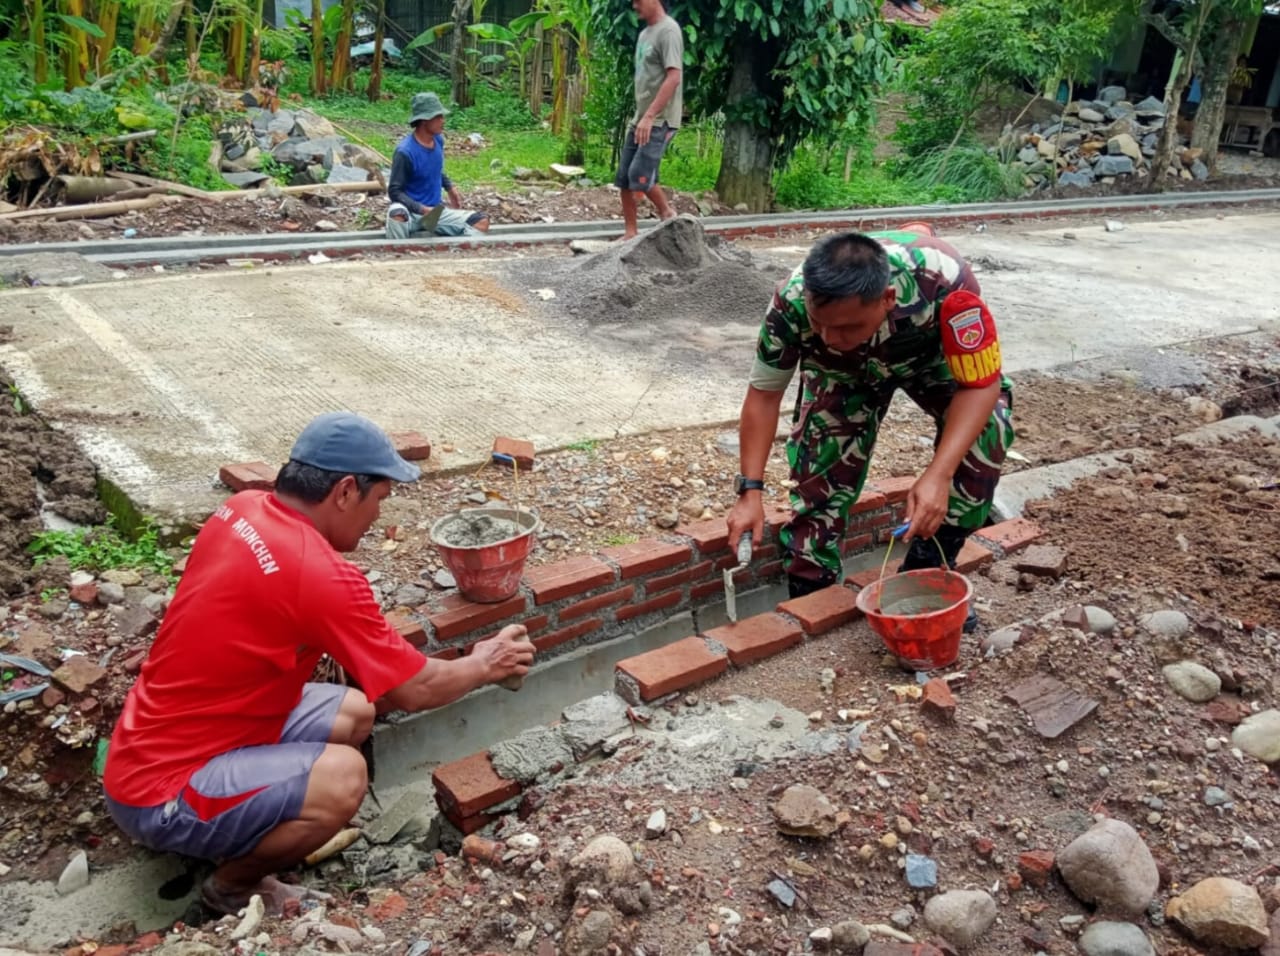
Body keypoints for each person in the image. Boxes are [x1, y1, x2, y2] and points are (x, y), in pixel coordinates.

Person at [103, 412, 534, 916]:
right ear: (346, 491)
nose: (377, 517)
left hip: (170, 735)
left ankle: (253, 818)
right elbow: (413, 689)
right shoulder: (318, 574)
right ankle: (233, 886)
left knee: (353, 710)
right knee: (344, 777)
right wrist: (486, 662)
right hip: (159, 790)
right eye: (380, 498)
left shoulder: (243, 509)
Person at [726, 226, 1014, 625]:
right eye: (820, 323)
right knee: (818, 481)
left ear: (888, 299)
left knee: (989, 432)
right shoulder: (790, 301)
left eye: (847, 328)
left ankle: (923, 579)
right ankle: (814, 599)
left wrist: (938, 474)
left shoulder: (945, 281)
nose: (829, 336)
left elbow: (981, 385)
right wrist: (749, 491)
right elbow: (763, 396)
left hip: (929, 362)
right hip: (841, 376)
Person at [615, 0, 684, 240]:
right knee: (624, 178)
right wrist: (642, 117)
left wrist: (651, 115)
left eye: (637, 0)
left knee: (639, 179)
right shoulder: (645, 34)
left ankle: (667, 213)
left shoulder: (669, 31)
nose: (634, 6)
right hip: (641, 118)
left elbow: (674, 77)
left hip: (659, 120)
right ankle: (630, 234)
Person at [385, 91, 490, 239]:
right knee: (396, 215)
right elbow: (395, 192)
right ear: (424, 120)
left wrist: (450, 187)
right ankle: (398, 255)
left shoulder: (438, 141)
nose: (443, 121)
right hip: (410, 211)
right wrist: (421, 209)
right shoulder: (405, 152)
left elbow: (433, 169)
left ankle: (452, 257)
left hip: (434, 213)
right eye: (438, 117)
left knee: (480, 222)